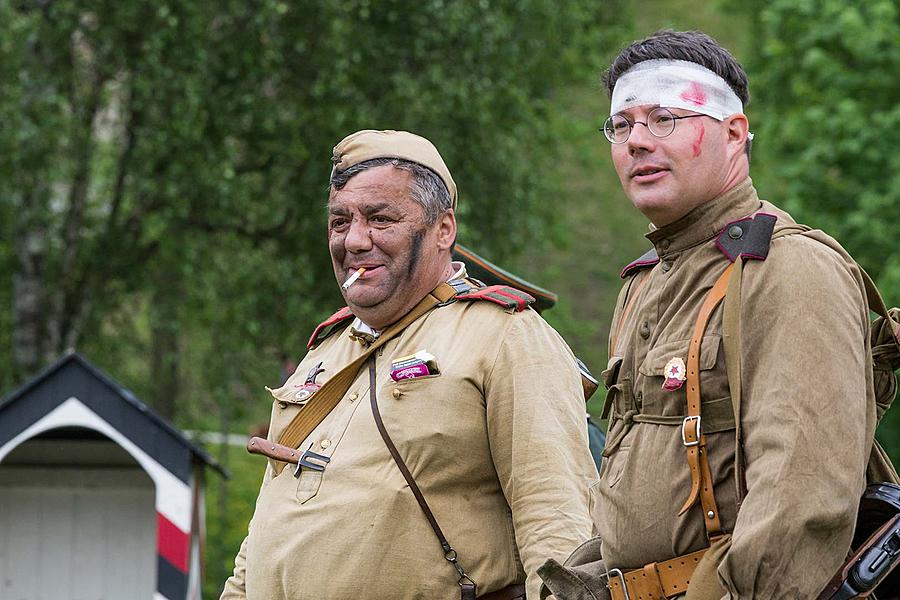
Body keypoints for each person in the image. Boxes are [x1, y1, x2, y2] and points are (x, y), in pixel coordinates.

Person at [539, 30, 878, 599]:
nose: (637, 142)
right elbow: (628, 500)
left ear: (735, 134)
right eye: (621, 126)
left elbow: (802, 501)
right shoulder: (647, 282)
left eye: (665, 118)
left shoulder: (788, 269)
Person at [220, 129, 597, 600]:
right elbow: (265, 531)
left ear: (444, 230)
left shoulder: (507, 336)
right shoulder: (325, 350)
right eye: (339, 222)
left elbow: (557, 518)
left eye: (381, 218)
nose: (355, 241)